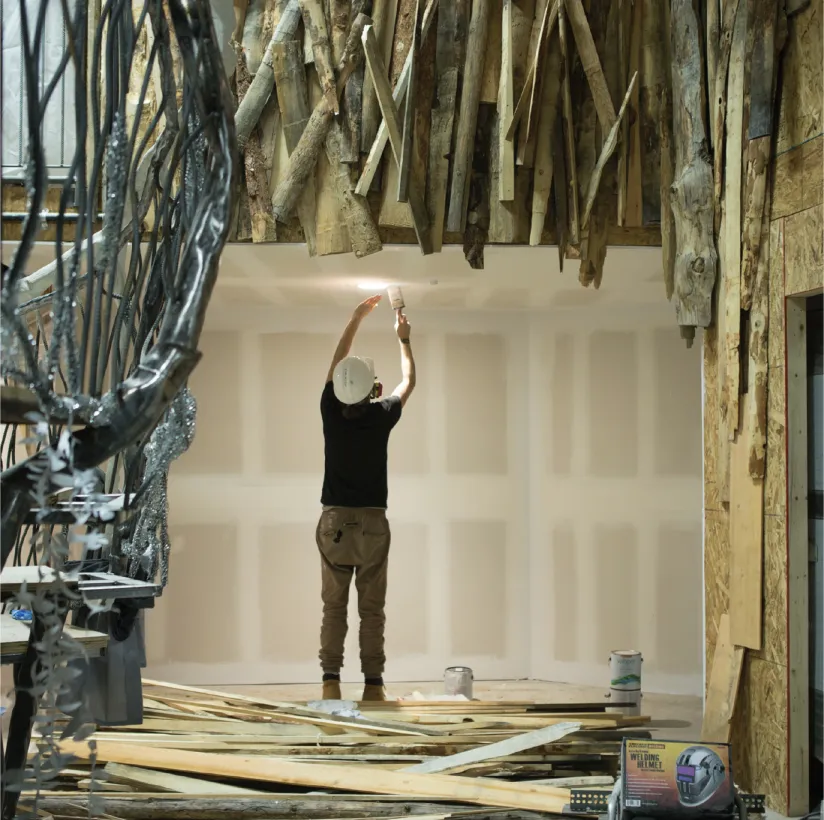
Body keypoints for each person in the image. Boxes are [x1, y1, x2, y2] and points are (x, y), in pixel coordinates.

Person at [316, 294, 416, 702]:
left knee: (333, 608)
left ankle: (330, 682)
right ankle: (373, 687)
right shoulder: (381, 416)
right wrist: (403, 338)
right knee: (371, 610)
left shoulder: (328, 409)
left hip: (334, 522)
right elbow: (409, 381)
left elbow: (339, 361)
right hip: (373, 523)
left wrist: (356, 317)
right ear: (374, 388)